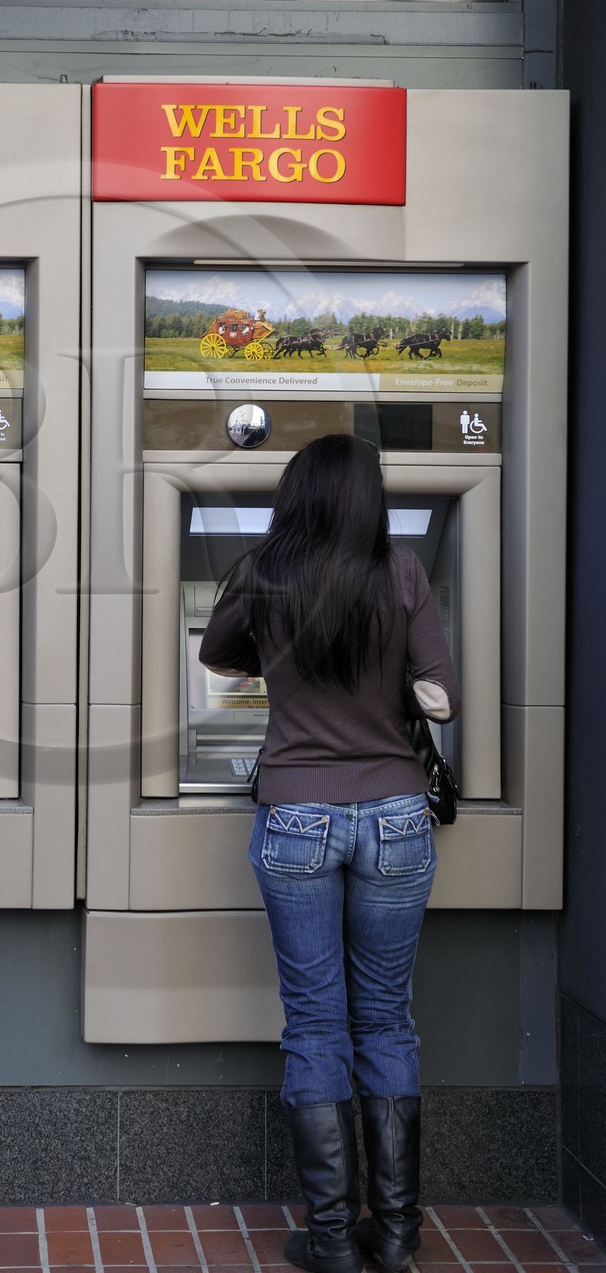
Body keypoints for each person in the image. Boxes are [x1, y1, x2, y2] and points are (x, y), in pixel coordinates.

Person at [198, 434, 459, 1273]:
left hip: (299, 814)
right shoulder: (406, 571)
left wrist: (277, 641)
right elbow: (440, 693)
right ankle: (396, 1233)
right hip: (395, 818)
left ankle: (331, 1239)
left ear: (297, 495)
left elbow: (216, 654)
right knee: (386, 1017)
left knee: (315, 1021)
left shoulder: (264, 572)